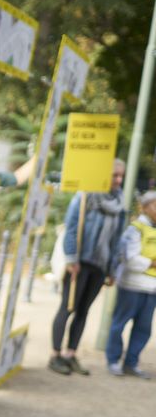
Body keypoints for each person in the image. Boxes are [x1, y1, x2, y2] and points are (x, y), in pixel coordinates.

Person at [50, 159, 126, 376]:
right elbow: (72, 227)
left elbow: (117, 239)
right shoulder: (85, 197)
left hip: (99, 266)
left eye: (121, 176)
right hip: (79, 263)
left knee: (83, 311)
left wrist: (112, 269)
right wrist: (72, 258)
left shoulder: (119, 204)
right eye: (114, 175)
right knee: (67, 307)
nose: (118, 180)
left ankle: (70, 354)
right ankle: (55, 355)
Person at [105, 190, 156, 378]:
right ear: (144, 207)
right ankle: (113, 360)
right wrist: (151, 263)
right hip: (131, 286)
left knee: (143, 329)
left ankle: (131, 363)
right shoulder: (135, 229)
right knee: (119, 324)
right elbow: (130, 258)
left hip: (152, 288)